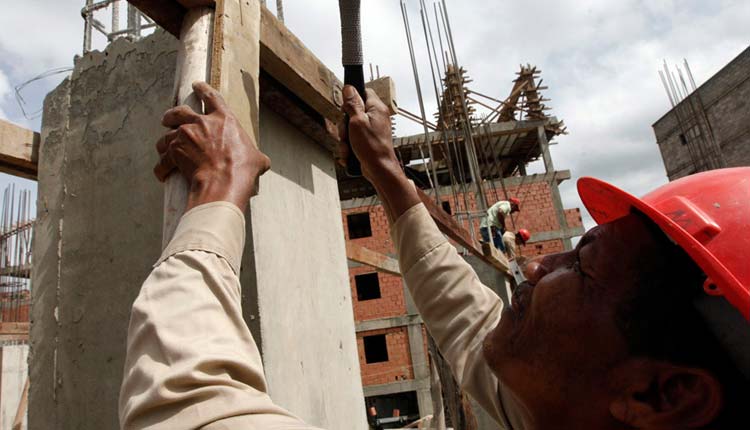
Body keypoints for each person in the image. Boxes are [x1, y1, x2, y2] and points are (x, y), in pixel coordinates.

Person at [119, 79, 750, 429]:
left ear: (664, 396)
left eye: (580, 267)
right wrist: (389, 174)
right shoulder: (588, 411)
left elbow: (189, 407)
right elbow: (471, 323)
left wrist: (216, 198)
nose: (535, 266)